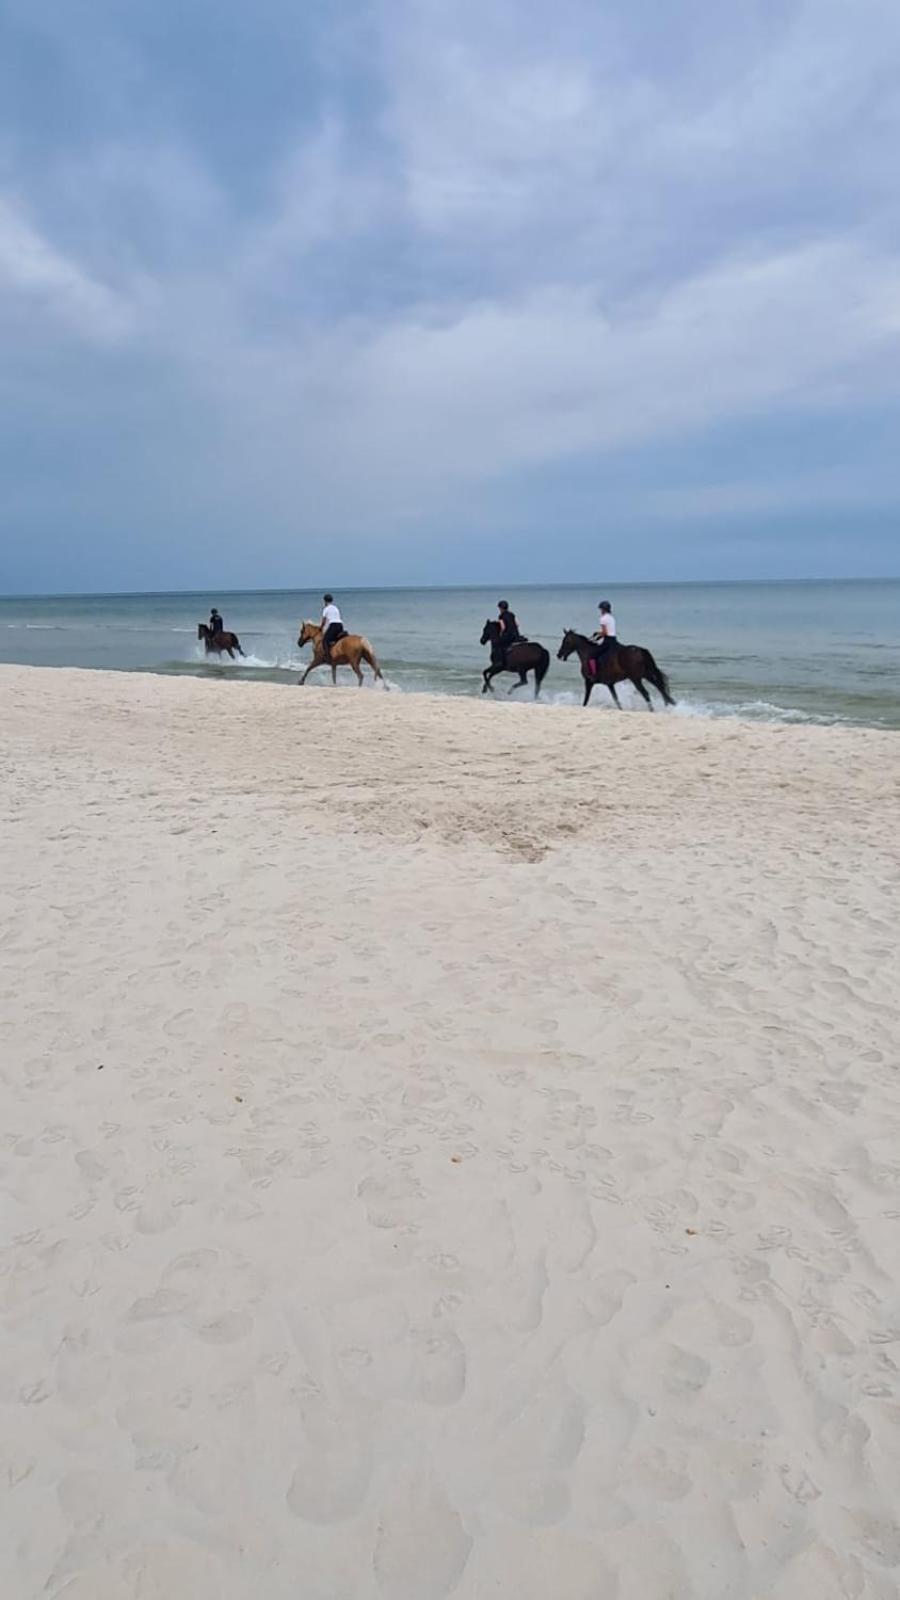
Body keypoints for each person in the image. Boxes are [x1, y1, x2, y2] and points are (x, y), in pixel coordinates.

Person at [321, 593, 345, 660]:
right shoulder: (335, 608)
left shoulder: (326, 609)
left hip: (333, 625)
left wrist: (321, 627)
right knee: (336, 640)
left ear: (325, 601)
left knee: (325, 641)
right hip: (340, 625)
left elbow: (324, 621)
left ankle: (327, 657)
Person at [496, 599, 521, 665]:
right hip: (516, 634)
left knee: (499, 645)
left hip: (508, 635)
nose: (499, 609)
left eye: (499, 608)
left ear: (501, 608)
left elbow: (503, 628)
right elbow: (517, 625)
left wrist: (500, 634)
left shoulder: (501, 616)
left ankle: (501, 661)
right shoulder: (512, 614)